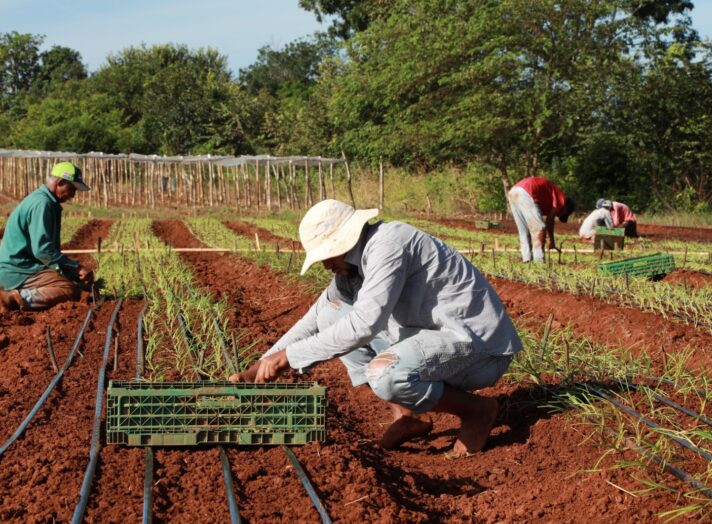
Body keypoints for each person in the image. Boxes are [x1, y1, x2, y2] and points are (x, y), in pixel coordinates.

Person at [231, 199, 523, 456]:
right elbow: (317, 316)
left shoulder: (388, 244)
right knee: (332, 317)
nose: (325, 265)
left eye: (325, 255)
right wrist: (262, 364)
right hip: (432, 338)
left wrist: (289, 357)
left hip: (476, 347)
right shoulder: (353, 266)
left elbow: (364, 326)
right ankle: (408, 415)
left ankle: (476, 411)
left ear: (343, 241)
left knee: (385, 372)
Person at [0, 162, 94, 312]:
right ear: (61, 183)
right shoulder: (42, 204)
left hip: (23, 265)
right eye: (72, 189)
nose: (72, 195)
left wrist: (71, 272)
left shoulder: (44, 200)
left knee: (72, 283)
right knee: (69, 289)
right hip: (16, 270)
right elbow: (43, 251)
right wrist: (76, 267)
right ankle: (13, 298)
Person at [507, 177, 574, 262]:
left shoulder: (551, 196)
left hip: (513, 191)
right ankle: (539, 260)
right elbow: (549, 221)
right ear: (566, 209)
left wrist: (550, 239)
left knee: (524, 230)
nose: (558, 215)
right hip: (527, 192)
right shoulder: (561, 201)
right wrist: (551, 240)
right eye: (562, 214)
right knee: (539, 228)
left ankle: (526, 259)